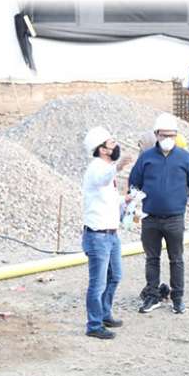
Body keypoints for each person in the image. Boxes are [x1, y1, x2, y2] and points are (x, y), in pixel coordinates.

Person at [128, 113, 189, 315]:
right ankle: (152, 296)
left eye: (171, 135)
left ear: (177, 135)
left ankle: (177, 298)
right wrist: (133, 205)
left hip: (174, 219)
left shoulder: (186, 158)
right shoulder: (146, 158)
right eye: (163, 135)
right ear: (156, 135)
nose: (167, 139)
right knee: (152, 258)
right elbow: (134, 182)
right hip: (150, 218)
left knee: (176, 259)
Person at [81, 126, 133, 339]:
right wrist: (119, 167)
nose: (115, 145)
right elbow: (102, 179)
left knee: (115, 276)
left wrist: (125, 200)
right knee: (98, 282)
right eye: (111, 143)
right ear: (102, 149)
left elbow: (106, 197)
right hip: (98, 235)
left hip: (111, 234)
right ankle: (94, 325)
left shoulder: (105, 168)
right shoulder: (97, 168)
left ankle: (104, 313)